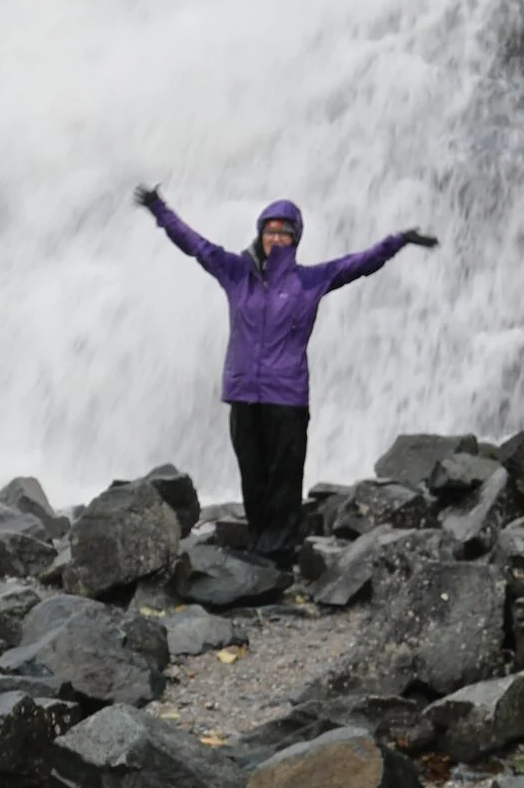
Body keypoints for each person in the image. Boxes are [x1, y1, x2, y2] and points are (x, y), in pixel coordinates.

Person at [136, 185, 438, 563]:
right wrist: (158, 208)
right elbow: (194, 244)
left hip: (287, 395)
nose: (276, 239)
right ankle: (261, 545)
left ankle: (278, 553)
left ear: (295, 239)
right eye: (270, 231)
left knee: (285, 474)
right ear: (260, 234)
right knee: (253, 472)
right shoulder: (235, 273)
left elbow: (358, 264)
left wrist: (398, 241)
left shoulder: (310, 280)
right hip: (244, 393)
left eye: (285, 233)